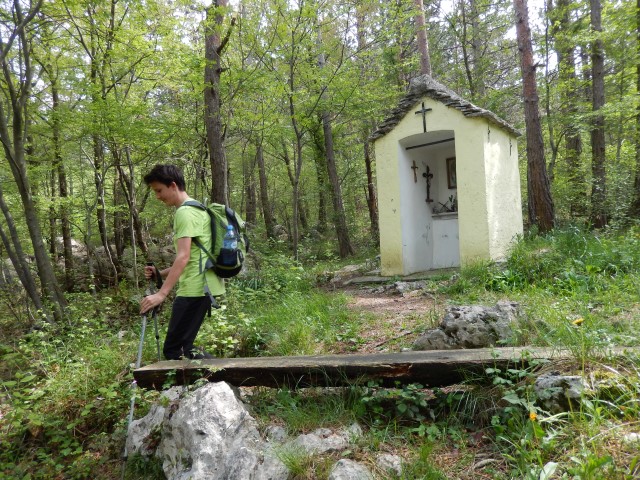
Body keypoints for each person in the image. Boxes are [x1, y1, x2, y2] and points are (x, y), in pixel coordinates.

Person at [139, 164, 224, 359]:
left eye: (159, 190)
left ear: (173, 185)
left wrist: (161, 294)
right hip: (201, 286)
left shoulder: (184, 212)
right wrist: (160, 274)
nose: (157, 196)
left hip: (195, 288)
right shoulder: (197, 208)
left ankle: (224, 375)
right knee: (184, 347)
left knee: (175, 350)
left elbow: (183, 256)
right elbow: (192, 256)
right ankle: (220, 373)